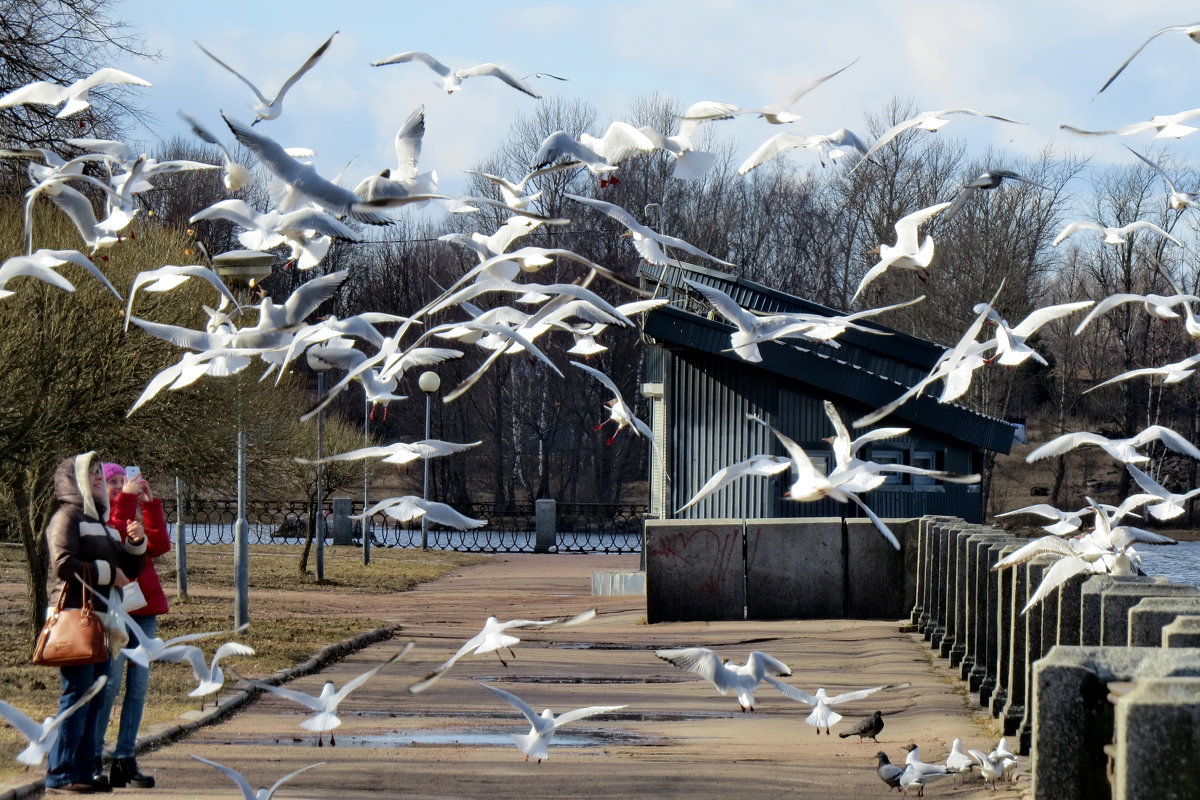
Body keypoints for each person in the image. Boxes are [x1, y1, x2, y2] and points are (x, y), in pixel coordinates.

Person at [44, 452, 146, 795]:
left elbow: (128, 572)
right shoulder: (67, 517)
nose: (100, 477)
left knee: (97, 698)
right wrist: (107, 573)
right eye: (92, 473)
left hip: (103, 623)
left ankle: (85, 771)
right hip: (77, 618)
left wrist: (135, 543)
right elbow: (62, 563)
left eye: (101, 471)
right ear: (73, 480)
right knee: (78, 695)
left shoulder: (102, 522)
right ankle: (61, 773)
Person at [93, 463, 170, 790]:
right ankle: (94, 757)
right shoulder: (101, 517)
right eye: (113, 481)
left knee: (137, 689)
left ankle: (125, 758)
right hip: (116, 611)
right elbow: (114, 540)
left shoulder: (130, 514)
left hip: (144, 609)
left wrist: (151, 504)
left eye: (124, 481)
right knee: (109, 686)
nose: (120, 486)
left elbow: (159, 546)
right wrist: (125, 500)